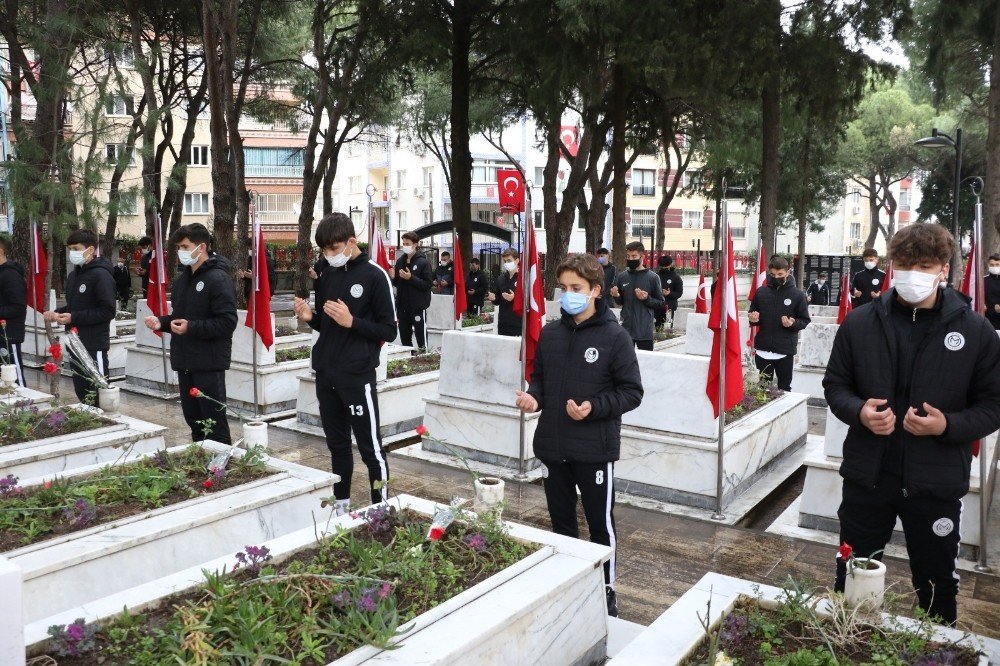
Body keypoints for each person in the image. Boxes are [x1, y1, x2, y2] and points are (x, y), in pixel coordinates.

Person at [824, 223, 1000, 626]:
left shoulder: (974, 331)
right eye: (904, 264)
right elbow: (836, 386)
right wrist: (859, 412)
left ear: (943, 268)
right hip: (868, 477)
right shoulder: (861, 322)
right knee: (853, 572)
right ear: (890, 264)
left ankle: (936, 649)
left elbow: (993, 404)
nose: (912, 274)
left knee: (937, 581)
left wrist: (948, 426)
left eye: (923, 265)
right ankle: (849, 639)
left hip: (935, 483)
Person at [515, 253, 643, 619]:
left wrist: (594, 406)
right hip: (554, 447)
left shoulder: (616, 337)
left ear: (596, 291)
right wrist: (533, 397)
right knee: (561, 524)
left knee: (600, 524)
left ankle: (606, 587)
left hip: (594, 450)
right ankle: (567, 582)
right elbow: (540, 379)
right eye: (564, 288)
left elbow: (632, 392)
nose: (569, 295)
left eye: (577, 289)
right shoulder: (552, 333)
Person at [292, 213, 397, 514]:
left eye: (334, 248)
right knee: (337, 446)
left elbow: (389, 330)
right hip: (327, 374)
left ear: (352, 242)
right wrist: (311, 318)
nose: (328, 256)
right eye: (324, 250)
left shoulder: (375, 276)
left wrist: (353, 321)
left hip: (357, 376)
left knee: (370, 449)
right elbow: (328, 325)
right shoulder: (328, 273)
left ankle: (381, 510)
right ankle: (341, 506)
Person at [144, 223, 237, 444]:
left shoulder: (218, 278)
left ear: (202, 246)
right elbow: (181, 317)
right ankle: (200, 462)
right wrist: (161, 322)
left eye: (185, 246)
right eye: (179, 247)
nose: (181, 252)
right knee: (194, 420)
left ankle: (219, 472)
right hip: (185, 360)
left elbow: (227, 322)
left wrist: (191, 327)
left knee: (213, 422)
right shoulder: (183, 279)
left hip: (208, 361)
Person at [45, 229, 115, 403]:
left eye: (76, 248)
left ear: (90, 250)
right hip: (74, 342)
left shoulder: (101, 275)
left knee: (99, 392)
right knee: (82, 391)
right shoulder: (74, 275)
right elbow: (75, 306)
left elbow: (107, 311)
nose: (72, 253)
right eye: (70, 249)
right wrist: (58, 313)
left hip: (93, 343)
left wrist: (73, 317)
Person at [747, 256, 810, 391]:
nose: (777, 277)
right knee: (762, 388)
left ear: (788, 272)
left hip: (785, 350)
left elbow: (804, 320)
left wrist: (792, 324)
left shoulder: (797, 295)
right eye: (773, 274)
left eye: (780, 274)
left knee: (784, 388)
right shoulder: (761, 292)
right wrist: (753, 319)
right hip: (762, 350)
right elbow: (753, 315)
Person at [610, 242, 663, 350]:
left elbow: (660, 303)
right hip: (626, 329)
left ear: (642, 257)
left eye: (634, 256)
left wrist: (646, 299)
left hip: (644, 331)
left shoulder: (653, 277)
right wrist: (616, 296)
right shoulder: (622, 276)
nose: (630, 259)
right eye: (628, 256)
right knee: (625, 363)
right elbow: (621, 302)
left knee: (646, 364)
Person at [392, 231, 433, 351]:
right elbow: (397, 284)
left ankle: (424, 356)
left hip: (417, 306)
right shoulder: (400, 261)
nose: (405, 246)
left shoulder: (423, 262)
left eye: (407, 243)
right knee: (405, 336)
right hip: (403, 306)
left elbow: (427, 284)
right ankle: (408, 357)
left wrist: (411, 278)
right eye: (403, 243)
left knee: (421, 336)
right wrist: (393, 277)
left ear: (415, 244)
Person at [0, 234, 27, 386]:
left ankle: (26, 407)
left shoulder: (10, 275)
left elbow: (17, 307)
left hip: (8, 336)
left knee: (15, 380)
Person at [489, 247, 522, 336]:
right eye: (505, 261)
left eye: (509, 260)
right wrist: (494, 298)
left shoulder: (523, 278)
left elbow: (528, 300)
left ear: (517, 260)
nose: (507, 263)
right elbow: (498, 301)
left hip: (518, 324)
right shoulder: (501, 279)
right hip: (503, 324)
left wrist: (514, 298)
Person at [655, 255, 683, 329]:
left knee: (667, 328)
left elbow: (679, 293)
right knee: (657, 327)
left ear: (670, 264)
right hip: (656, 306)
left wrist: (669, 293)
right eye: (662, 266)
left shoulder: (676, 277)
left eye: (666, 266)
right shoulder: (655, 276)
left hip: (670, 307)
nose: (664, 268)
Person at [985, 253, 1000, 331]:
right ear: (988, 265)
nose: (994, 267)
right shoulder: (983, 281)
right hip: (987, 321)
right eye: (992, 265)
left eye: (997, 265)